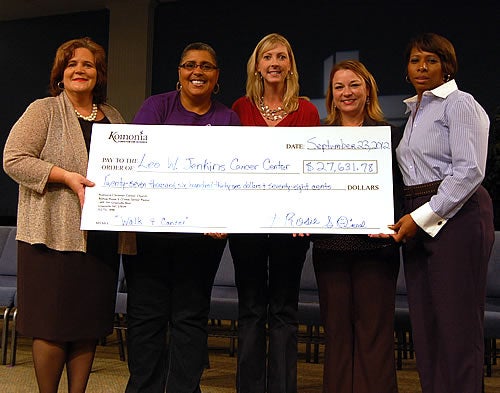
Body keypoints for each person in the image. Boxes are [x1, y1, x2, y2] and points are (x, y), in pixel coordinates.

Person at [3, 37, 134, 393]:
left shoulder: (115, 116)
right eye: (72, 64)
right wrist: (64, 176)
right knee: (51, 325)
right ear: (60, 73)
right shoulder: (43, 110)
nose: (80, 70)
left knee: (87, 324)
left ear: (99, 73)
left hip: (99, 239)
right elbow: (13, 159)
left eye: (88, 64)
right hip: (51, 237)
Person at [123, 42, 240, 393]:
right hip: (150, 235)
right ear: (179, 72)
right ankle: (144, 388)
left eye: (206, 66)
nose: (197, 72)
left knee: (189, 319)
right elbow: (138, 160)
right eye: (190, 64)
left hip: (201, 239)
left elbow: (234, 179)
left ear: (217, 75)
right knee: (146, 319)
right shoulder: (156, 106)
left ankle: (184, 389)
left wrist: (225, 219)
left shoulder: (228, 119)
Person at [386, 33, 495, 393]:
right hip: (418, 217)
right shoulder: (416, 109)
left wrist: (420, 217)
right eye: (415, 60)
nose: (422, 67)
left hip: (457, 216)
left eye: (431, 60)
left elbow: (468, 171)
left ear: (447, 66)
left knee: (457, 326)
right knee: (427, 325)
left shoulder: (460, 104)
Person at [229, 33, 320, 393]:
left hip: (291, 226)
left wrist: (306, 216)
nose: (275, 63)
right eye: (268, 57)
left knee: (284, 310)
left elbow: (312, 169)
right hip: (246, 222)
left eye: (282, 56)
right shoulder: (239, 108)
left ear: (290, 65)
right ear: (257, 65)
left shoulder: (307, 110)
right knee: (251, 309)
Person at [310, 60, 403, 393]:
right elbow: (307, 189)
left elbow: (401, 191)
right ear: (331, 96)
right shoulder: (318, 137)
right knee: (336, 333)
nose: (346, 93)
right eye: (339, 87)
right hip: (329, 249)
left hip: (377, 249)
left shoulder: (391, 136)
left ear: (368, 90)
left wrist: (394, 225)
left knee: (374, 333)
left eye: (354, 85)